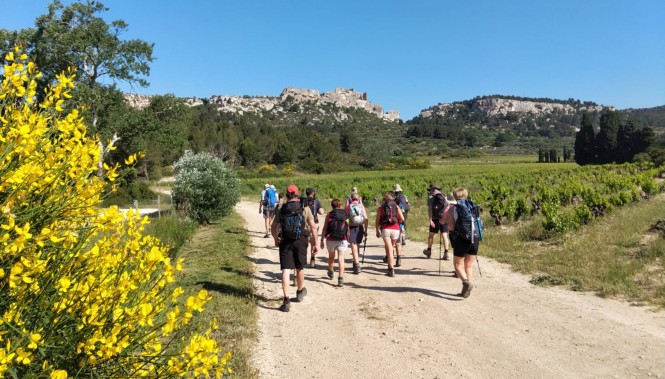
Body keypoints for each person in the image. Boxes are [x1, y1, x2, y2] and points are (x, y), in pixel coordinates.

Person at [271, 184, 319, 312]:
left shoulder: (282, 208)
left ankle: (286, 300)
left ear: (286, 195)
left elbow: (273, 226)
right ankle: (299, 291)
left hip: (286, 240)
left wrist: (276, 239)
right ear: (297, 194)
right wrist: (315, 243)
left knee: (286, 269)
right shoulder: (305, 208)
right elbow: (313, 227)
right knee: (299, 267)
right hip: (301, 240)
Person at [444, 187, 480, 298]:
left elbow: (450, 226)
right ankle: (466, 290)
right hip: (475, 238)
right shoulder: (473, 207)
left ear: (454, 196)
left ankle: (466, 282)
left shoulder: (452, 209)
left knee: (458, 265)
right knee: (468, 266)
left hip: (461, 239)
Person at [320, 199, 349, 286]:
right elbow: (348, 227)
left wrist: (321, 239)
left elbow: (325, 228)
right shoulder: (345, 214)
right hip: (342, 238)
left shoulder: (329, 215)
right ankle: (340, 278)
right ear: (340, 205)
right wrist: (348, 237)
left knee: (331, 257)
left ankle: (331, 271)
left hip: (331, 238)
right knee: (341, 258)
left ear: (332, 206)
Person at [375, 192, 405, 277]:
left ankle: (391, 269)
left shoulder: (381, 208)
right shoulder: (396, 206)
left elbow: (377, 222)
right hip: (396, 229)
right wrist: (397, 223)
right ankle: (390, 266)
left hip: (386, 229)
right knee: (391, 248)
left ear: (384, 199)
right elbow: (402, 218)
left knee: (390, 249)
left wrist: (377, 230)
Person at [345, 192, 367, 274]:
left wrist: (346, 228)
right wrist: (366, 229)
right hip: (360, 227)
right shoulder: (361, 206)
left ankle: (356, 265)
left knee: (353, 246)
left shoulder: (348, 206)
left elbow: (346, 218)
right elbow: (366, 218)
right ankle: (355, 262)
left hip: (351, 227)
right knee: (357, 245)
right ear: (358, 199)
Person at [423, 184, 447, 259]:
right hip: (444, 218)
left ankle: (429, 251)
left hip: (435, 219)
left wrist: (430, 220)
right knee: (444, 236)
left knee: (431, 236)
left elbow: (430, 209)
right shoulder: (444, 196)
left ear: (431, 189)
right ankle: (446, 252)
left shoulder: (431, 197)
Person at [302, 188, 324, 267]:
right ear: (313, 193)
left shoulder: (303, 201)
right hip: (314, 223)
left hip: (304, 224)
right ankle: (312, 259)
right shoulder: (316, 202)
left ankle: (303, 258)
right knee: (313, 242)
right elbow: (321, 212)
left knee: (304, 242)